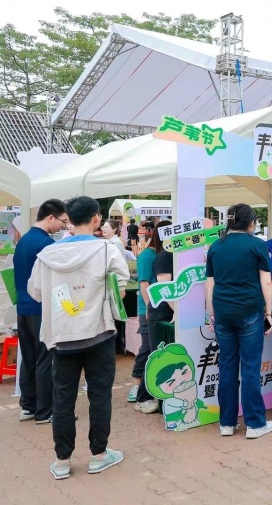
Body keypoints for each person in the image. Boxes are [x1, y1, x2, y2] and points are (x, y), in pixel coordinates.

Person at [28, 196, 129, 479]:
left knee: (63, 398)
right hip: (99, 334)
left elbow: (35, 292)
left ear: (69, 220)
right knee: (99, 395)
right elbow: (120, 291)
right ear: (96, 218)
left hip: (62, 337)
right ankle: (99, 455)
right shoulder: (107, 250)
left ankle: (62, 460)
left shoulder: (47, 255)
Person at [205, 204, 272, 439]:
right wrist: (268, 313)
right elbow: (266, 282)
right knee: (250, 367)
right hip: (250, 311)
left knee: (226, 366)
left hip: (223, 313)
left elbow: (210, 284)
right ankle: (255, 423)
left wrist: (212, 313)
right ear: (251, 223)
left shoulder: (216, 246)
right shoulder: (257, 245)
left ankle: (227, 423)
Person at [13, 199, 68, 424]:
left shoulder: (24, 240)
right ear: (50, 217)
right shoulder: (47, 244)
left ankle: (28, 406)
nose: (63, 226)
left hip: (23, 308)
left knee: (29, 358)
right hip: (41, 308)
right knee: (45, 359)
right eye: (62, 221)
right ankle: (45, 411)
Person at [134, 220, 173, 414]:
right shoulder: (155, 256)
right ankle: (142, 395)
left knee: (156, 352)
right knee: (152, 352)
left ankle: (152, 394)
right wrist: (149, 308)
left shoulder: (164, 255)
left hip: (162, 311)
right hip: (154, 311)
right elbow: (148, 285)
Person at [128, 220, 159, 405]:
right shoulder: (148, 255)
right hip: (147, 309)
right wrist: (149, 307)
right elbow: (144, 283)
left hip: (154, 308)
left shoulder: (159, 254)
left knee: (151, 346)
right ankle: (136, 384)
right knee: (147, 347)